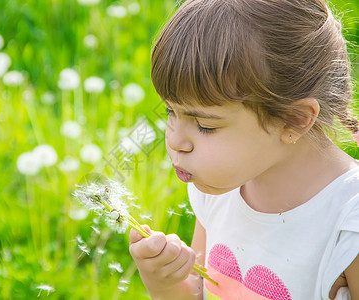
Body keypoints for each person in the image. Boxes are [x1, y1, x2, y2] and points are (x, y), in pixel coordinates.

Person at [128, 0, 359, 299]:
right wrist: (166, 284)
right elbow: (201, 292)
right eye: (171, 112)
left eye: (205, 126)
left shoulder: (347, 223)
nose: (174, 141)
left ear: (294, 120)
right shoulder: (221, 189)